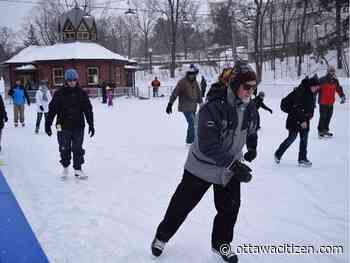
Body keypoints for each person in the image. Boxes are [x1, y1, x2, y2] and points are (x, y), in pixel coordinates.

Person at [152, 62, 259, 263]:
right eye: (247, 87)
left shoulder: (250, 106)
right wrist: (235, 165)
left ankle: (221, 244)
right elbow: (208, 145)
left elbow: (252, 127)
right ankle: (162, 236)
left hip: (228, 169)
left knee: (230, 210)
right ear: (235, 85)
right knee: (181, 206)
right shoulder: (213, 108)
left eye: (254, 87)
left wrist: (252, 146)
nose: (250, 92)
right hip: (201, 167)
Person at [45, 68, 94, 180]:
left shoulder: (81, 93)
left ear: (77, 80)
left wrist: (91, 124)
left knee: (77, 148)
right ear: (66, 81)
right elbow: (52, 110)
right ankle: (65, 167)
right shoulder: (59, 94)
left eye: (74, 80)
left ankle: (78, 169)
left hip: (78, 125)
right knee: (64, 148)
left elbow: (88, 110)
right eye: (70, 80)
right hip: (62, 126)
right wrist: (48, 124)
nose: (72, 82)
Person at [274, 75, 320, 167]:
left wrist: (310, 115)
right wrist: (302, 120)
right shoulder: (301, 92)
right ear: (311, 86)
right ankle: (278, 153)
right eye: (315, 87)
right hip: (295, 119)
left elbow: (309, 106)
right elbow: (297, 107)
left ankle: (302, 159)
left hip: (304, 119)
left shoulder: (311, 92)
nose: (316, 89)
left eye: (317, 87)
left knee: (304, 140)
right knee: (292, 138)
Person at [166, 64, 202, 145]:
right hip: (185, 107)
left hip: (193, 107)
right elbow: (175, 92)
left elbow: (199, 93)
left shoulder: (195, 82)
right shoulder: (182, 82)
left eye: (193, 74)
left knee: (193, 123)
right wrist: (170, 104)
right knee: (192, 123)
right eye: (190, 74)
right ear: (187, 74)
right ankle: (190, 141)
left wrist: (201, 104)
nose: (192, 76)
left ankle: (191, 140)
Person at [317, 65, 346, 138]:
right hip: (323, 102)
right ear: (328, 71)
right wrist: (312, 100)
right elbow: (316, 90)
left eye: (333, 71)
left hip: (331, 102)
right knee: (323, 116)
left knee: (329, 116)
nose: (332, 72)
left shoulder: (335, 80)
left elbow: (338, 89)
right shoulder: (322, 80)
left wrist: (342, 96)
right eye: (331, 71)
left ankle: (325, 130)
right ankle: (320, 131)